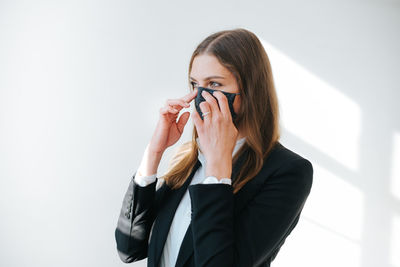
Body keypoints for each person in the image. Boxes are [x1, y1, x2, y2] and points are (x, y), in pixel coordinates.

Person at [114, 28, 313, 267]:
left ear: (250, 90)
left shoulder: (287, 171)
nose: (200, 95)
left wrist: (218, 168)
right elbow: (129, 248)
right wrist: (154, 153)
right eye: (194, 84)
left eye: (214, 83)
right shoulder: (189, 161)